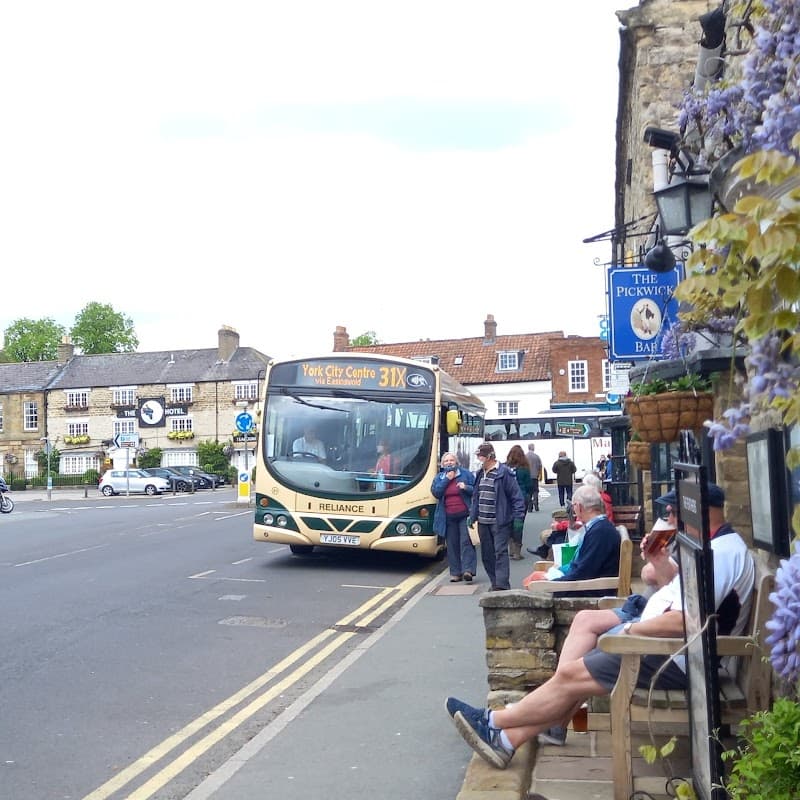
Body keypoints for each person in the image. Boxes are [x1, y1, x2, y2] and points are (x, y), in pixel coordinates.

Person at [445, 481, 755, 764]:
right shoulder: (711, 549)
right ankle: (506, 739)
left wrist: (631, 630)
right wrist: (660, 562)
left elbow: (686, 620)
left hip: (674, 656)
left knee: (570, 675)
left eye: (674, 511)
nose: (670, 517)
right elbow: (682, 598)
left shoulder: (720, 555)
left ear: (699, 511)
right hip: (668, 649)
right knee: (573, 676)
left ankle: (495, 722)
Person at [521, 485, 620, 594]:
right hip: (590, 585)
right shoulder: (600, 528)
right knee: (535, 579)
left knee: (534, 585)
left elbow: (582, 573)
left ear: (579, 507)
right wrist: (555, 573)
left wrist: (551, 581)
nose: (574, 511)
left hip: (591, 590)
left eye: (573, 507)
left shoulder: (600, 532)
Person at [469, 443, 526, 591]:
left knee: (500, 552)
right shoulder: (480, 473)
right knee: (487, 555)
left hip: (499, 521)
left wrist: (518, 517)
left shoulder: (504, 473)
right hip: (483, 521)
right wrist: (472, 515)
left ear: (489, 456)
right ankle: (494, 581)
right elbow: (476, 496)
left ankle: (501, 585)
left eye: (480, 456)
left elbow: (516, 496)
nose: (478, 459)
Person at [432, 452, 477, 582]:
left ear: (456, 462)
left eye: (451, 460)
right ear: (442, 464)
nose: (449, 463)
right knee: (452, 545)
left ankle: (468, 570)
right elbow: (436, 492)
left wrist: (466, 487)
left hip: (465, 514)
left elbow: (476, 490)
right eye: (446, 461)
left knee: (466, 542)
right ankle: (455, 573)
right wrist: (447, 479)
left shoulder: (466, 474)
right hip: (448, 516)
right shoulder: (440, 477)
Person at [505, 445, 532, 561]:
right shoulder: (524, 469)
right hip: (522, 497)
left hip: (508, 498)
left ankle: (511, 547)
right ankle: (517, 551)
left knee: (509, 522)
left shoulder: (505, 467)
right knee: (519, 523)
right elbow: (529, 485)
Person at [525, 444, 542, 512]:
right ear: (533, 448)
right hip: (535, 476)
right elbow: (540, 466)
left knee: (528, 492)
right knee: (535, 491)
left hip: (527, 477)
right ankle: (536, 504)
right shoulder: (537, 456)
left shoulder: (525, 457)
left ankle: (530, 506)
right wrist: (539, 474)